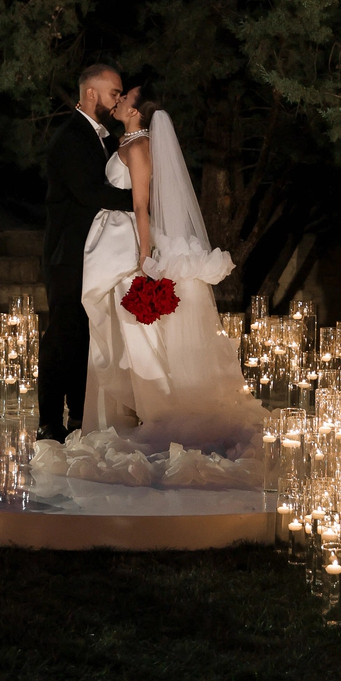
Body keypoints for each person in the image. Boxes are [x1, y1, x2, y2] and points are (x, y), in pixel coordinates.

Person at [79, 88, 264, 455]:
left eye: (125, 97)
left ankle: (157, 410)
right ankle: (134, 409)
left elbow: (141, 205)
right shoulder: (129, 141)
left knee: (136, 332)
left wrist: (144, 257)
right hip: (114, 240)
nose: (119, 99)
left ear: (137, 111)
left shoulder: (138, 146)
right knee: (126, 331)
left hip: (127, 244)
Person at [37, 64, 134, 442]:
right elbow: (90, 192)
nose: (118, 100)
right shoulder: (70, 137)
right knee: (63, 335)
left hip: (96, 253)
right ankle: (49, 420)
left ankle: (80, 413)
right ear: (91, 93)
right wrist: (141, 201)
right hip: (69, 253)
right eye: (114, 93)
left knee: (86, 336)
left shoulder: (105, 139)